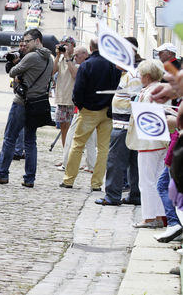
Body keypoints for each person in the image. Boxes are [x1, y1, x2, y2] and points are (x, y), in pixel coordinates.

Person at [0, 29, 54, 188]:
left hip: (22, 102)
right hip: (37, 104)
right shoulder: (49, 59)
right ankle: (29, 178)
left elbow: (12, 72)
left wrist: (18, 66)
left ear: (37, 41)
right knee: (30, 142)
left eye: (28, 41)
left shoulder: (32, 56)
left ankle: (1, 174)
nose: (25, 44)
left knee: (10, 138)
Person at [61, 38, 122, 190]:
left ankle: (69, 180)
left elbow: (78, 90)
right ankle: (96, 183)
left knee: (78, 145)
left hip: (88, 110)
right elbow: (117, 88)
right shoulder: (113, 66)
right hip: (107, 111)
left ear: (90, 48)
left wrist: (80, 105)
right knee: (103, 149)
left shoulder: (86, 65)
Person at [95, 37, 142, 207]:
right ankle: (135, 195)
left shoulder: (133, 75)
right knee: (133, 163)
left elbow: (137, 100)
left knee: (115, 161)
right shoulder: (133, 73)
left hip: (125, 126)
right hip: (130, 126)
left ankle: (112, 196)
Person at [131, 59, 170, 229]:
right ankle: (161, 215)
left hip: (149, 141)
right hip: (160, 141)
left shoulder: (149, 92)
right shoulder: (158, 88)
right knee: (158, 179)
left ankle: (149, 217)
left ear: (147, 76)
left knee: (147, 181)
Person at [52, 36, 77, 148]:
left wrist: (67, 57)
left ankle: (73, 156)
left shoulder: (77, 58)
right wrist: (57, 56)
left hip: (73, 99)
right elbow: (51, 72)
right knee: (63, 128)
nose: (64, 47)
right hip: (62, 98)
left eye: (66, 44)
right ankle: (65, 155)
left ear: (72, 45)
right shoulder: (61, 58)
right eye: (62, 44)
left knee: (73, 129)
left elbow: (74, 74)